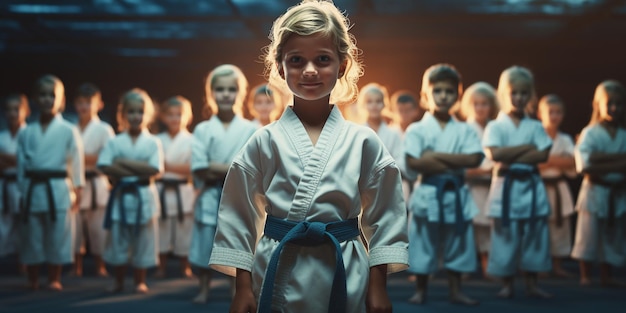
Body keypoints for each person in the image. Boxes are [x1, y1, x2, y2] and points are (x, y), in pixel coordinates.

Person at [209, 1, 409, 312]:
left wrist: (378, 286)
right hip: (279, 262)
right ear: (280, 67)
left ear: (342, 66)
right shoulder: (264, 140)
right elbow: (239, 215)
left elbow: (385, 215)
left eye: (323, 59)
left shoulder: (363, 141)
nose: (310, 70)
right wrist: (242, 287)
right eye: (297, 60)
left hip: (343, 263)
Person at [405, 64, 483, 305]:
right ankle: (420, 289)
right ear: (426, 95)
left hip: (455, 192)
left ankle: (456, 289)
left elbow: (474, 159)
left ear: (457, 96)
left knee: (458, 242)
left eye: (449, 91)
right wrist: (452, 162)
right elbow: (414, 163)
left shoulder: (465, 129)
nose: (443, 96)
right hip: (428, 190)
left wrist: (433, 157)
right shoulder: (417, 128)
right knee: (422, 242)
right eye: (437, 91)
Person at [189, 64, 258, 303]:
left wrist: (217, 167)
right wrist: (232, 167)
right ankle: (204, 288)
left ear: (241, 92)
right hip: (209, 195)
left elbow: (252, 169)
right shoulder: (202, 129)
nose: (226, 94)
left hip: (238, 196)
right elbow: (200, 168)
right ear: (211, 94)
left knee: (236, 242)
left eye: (231, 89)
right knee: (205, 242)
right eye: (219, 89)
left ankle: (235, 289)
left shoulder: (252, 129)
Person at [483, 66, 553, 298]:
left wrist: (510, 153)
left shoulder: (535, 125)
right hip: (506, 187)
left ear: (531, 95)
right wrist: (527, 149)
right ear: (504, 94)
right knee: (505, 237)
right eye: (514, 93)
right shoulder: (495, 125)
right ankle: (507, 284)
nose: (519, 98)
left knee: (535, 236)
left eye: (524, 93)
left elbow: (542, 156)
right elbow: (496, 155)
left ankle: (532, 284)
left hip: (531, 186)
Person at [17, 74, 84, 290]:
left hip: (58, 188)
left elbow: (76, 162)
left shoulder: (68, 130)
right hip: (33, 187)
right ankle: (33, 278)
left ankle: (55, 277)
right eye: (43, 95)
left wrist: (78, 189)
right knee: (32, 236)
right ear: (35, 99)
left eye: (52, 95)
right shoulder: (26, 132)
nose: (47, 99)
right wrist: (21, 191)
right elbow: (21, 166)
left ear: (61, 101)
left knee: (58, 235)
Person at [98, 88, 163, 294]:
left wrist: (122, 163)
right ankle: (118, 281)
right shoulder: (115, 141)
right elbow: (104, 166)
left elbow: (154, 170)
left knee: (143, 239)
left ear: (148, 115)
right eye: (131, 112)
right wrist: (138, 167)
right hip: (121, 196)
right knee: (118, 239)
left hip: (143, 194)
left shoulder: (153, 142)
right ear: (123, 114)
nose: (136, 116)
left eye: (140, 112)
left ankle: (139, 281)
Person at [571, 80, 626, 287]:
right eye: (609, 103)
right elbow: (585, 166)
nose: (614, 108)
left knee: (612, 235)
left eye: (619, 104)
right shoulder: (590, 133)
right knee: (588, 233)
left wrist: (600, 158)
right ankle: (585, 274)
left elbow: (594, 161)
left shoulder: (623, 135)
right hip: (594, 190)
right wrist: (619, 161)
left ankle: (606, 274)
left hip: (617, 192)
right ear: (598, 105)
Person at [70, 83, 115, 278]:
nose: (84, 106)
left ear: (99, 104)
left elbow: (108, 157)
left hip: (97, 182)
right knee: (75, 228)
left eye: (88, 102)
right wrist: (85, 157)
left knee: (98, 229)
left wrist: (76, 157)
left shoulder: (104, 129)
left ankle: (100, 265)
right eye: (80, 102)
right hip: (75, 184)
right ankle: (76, 266)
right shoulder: (70, 128)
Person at [458, 81, 499, 279]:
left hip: (493, 187)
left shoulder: (496, 127)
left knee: (488, 229)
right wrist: (481, 171)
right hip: (469, 186)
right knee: (467, 227)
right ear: (468, 105)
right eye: (476, 104)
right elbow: (460, 164)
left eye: (485, 103)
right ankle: (465, 267)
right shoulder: (463, 129)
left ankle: (487, 265)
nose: (480, 108)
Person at [154, 96, 195, 279]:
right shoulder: (156, 139)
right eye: (170, 115)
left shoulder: (193, 140)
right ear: (163, 117)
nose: (174, 118)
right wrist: (165, 167)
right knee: (161, 231)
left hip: (183, 191)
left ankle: (185, 266)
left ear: (188, 117)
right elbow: (152, 168)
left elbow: (192, 168)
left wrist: (165, 166)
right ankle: (160, 267)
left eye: (179, 114)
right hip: (160, 190)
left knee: (184, 231)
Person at [537, 94, 577, 278]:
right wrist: (558, 160)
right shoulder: (535, 136)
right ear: (540, 114)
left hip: (559, 188)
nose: (554, 116)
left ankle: (557, 264)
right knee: (538, 226)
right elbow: (534, 162)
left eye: (558, 112)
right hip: (540, 187)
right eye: (550, 112)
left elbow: (572, 163)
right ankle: (539, 265)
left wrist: (548, 160)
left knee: (560, 228)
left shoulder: (565, 139)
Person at [0, 93, 30, 272]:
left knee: (24, 224)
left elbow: (29, 160)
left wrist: (7, 159)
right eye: (8, 109)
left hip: (22, 184)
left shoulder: (30, 134)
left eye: (16, 109)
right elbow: (21, 160)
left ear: (26, 111)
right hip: (4, 184)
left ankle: (24, 264)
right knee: (4, 224)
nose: (12, 113)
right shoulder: (1, 136)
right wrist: (17, 160)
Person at [356, 83, 405, 175]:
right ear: (363, 105)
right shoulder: (357, 132)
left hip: (389, 180)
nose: (374, 105)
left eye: (378, 101)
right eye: (369, 101)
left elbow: (401, 163)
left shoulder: (394, 133)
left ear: (384, 104)